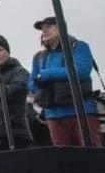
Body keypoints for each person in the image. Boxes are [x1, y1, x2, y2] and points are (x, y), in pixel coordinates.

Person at [28, 16, 100, 147]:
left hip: (81, 112)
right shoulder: (39, 57)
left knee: (91, 155)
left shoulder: (79, 46)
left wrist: (46, 75)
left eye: (48, 27)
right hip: (53, 116)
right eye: (43, 29)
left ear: (61, 27)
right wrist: (40, 86)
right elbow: (31, 84)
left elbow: (81, 70)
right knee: (64, 157)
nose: (44, 31)